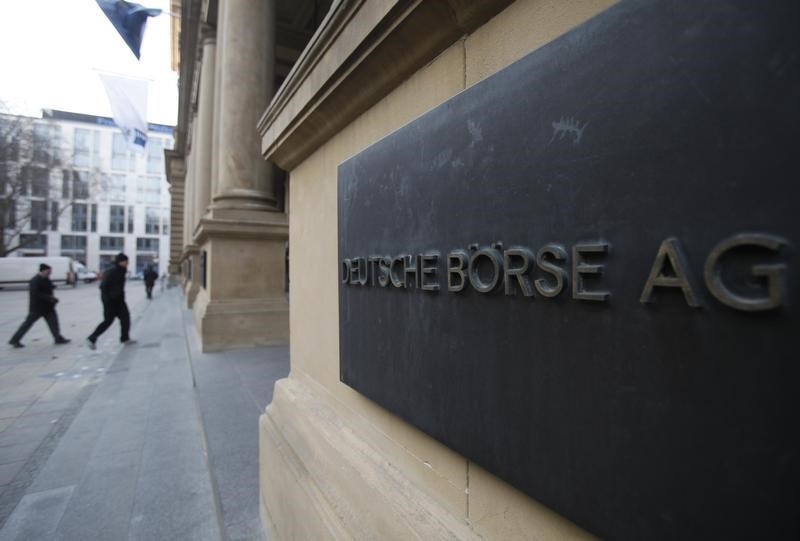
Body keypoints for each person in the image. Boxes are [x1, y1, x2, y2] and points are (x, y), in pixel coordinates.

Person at [8, 264, 70, 348]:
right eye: (48, 271)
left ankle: (58, 338)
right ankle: (14, 340)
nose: (50, 273)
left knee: (54, 323)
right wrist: (50, 298)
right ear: (43, 271)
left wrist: (53, 288)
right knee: (27, 324)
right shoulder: (35, 280)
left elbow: (48, 286)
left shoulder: (46, 279)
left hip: (48, 307)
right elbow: (36, 293)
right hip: (37, 308)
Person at [86, 253, 135, 350]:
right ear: (121, 261)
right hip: (110, 302)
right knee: (108, 321)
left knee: (125, 318)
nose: (127, 263)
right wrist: (109, 299)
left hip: (119, 300)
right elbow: (103, 286)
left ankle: (125, 338)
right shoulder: (112, 271)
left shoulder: (121, 271)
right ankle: (92, 338)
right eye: (126, 262)